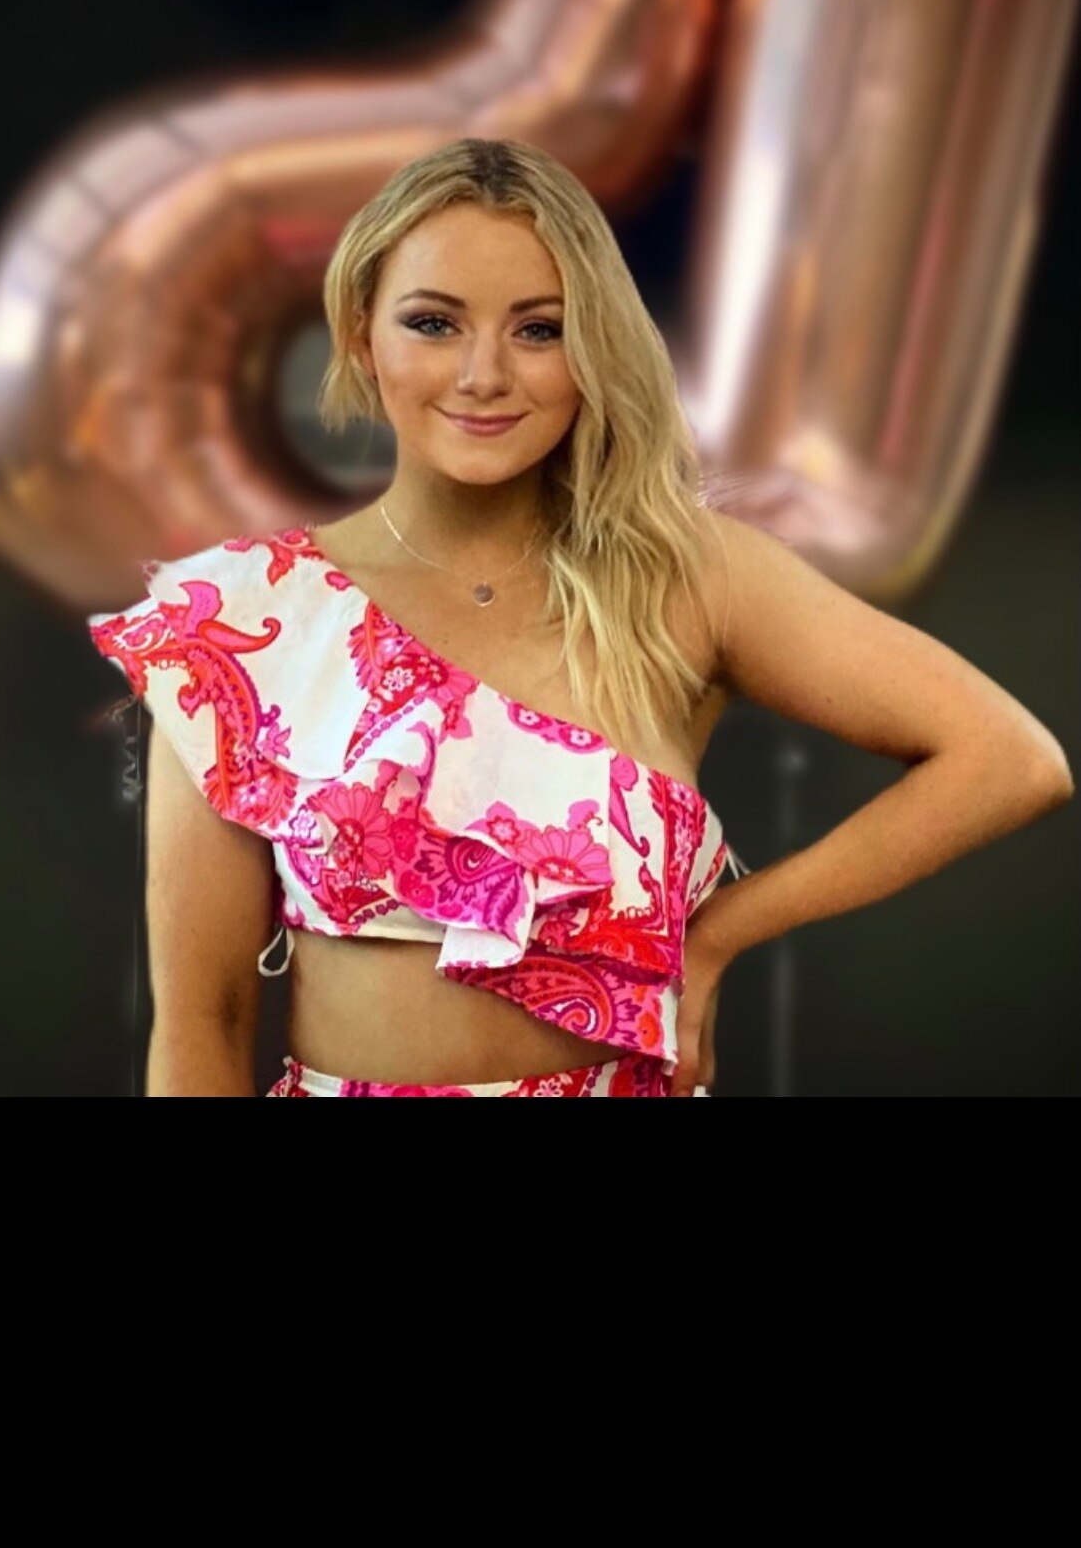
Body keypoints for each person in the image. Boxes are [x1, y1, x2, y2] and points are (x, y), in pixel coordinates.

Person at [88, 137, 1074, 1097]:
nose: (484, 375)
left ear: (592, 347)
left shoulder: (683, 575)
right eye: (433, 323)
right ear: (360, 334)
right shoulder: (242, 617)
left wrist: (723, 930)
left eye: (539, 329)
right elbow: (202, 1023)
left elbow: (1011, 761)